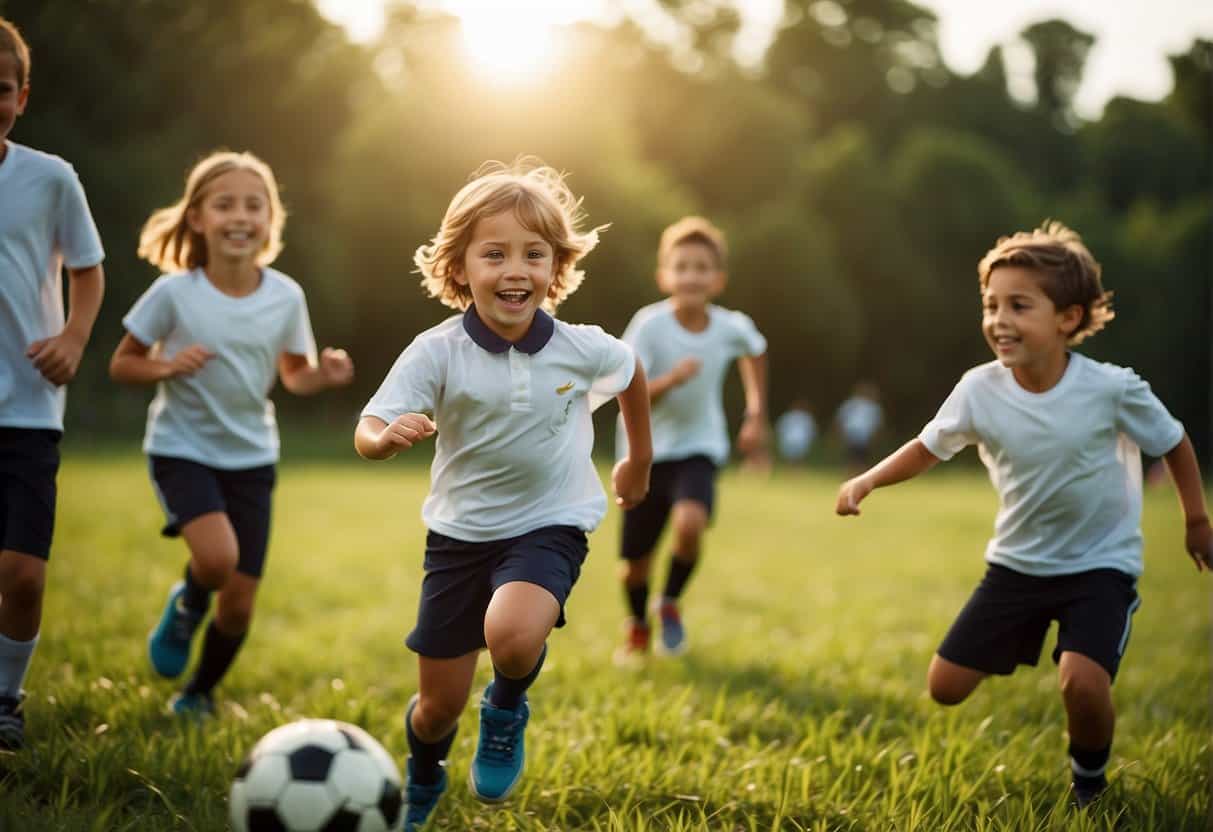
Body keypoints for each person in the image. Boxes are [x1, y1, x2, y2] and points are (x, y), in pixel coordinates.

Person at [835, 221, 1213, 807]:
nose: (998, 320)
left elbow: (1174, 440)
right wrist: (868, 479)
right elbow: (927, 447)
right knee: (945, 688)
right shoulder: (978, 390)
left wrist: (1195, 520)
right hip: (1017, 565)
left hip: (1099, 566)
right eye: (990, 305)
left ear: (1068, 318)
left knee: (1083, 685)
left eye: (1018, 305)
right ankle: (1023, 637)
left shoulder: (1111, 389)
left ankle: (1089, 785)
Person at [354, 159, 652, 830]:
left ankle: (508, 707)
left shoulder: (581, 347)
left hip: (550, 522)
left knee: (513, 638)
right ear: (459, 266)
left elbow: (633, 375)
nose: (515, 269)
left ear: (556, 267)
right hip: (458, 538)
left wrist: (636, 459)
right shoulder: (436, 352)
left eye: (533, 254)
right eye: (495, 253)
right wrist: (382, 439)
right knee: (436, 710)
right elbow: (367, 425)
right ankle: (423, 774)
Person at [109, 151, 354, 716]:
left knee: (240, 604)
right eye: (224, 205)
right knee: (217, 562)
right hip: (182, 448)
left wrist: (325, 375)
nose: (240, 216)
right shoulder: (175, 293)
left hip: (252, 456)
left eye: (254, 205)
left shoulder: (285, 296)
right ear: (197, 218)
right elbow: (123, 364)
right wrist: (165, 366)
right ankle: (188, 605)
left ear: (271, 221)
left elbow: (294, 376)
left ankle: (198, 694)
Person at [0, 17, 106, 749]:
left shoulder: (50, 177)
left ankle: (5, 698)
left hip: (29, 406)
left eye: (0, 90)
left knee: (24, 574)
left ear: (22, 95)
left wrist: (71, 336)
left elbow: (88, 269)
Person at [614, 216, 768, 661]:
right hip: (644, 455)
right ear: (664, 275)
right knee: (634, 568)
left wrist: (755, 412)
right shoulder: (648, 325)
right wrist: (670, 380)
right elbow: (628, 388)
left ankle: (669, 602)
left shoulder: (729, 326)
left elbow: (755, 351)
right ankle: (639, 625)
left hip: (699, 447)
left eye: (701, 267)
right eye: (681, 266)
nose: (691, 276)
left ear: (717, 280)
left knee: (689, 525)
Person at [835, 381, 882, 474]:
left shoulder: (873, 407)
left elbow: (876, 424)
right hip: (852, 434)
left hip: (864, 436)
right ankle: (852, 476)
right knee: (852, 458)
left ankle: (860, 477)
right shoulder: (851, 404)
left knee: (861, 459)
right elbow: (841, 419)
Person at [775, 398, 816, 464]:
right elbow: (811, 431)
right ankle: (797, 468)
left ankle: (791, 468)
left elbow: (780, 429)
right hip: (801, 441)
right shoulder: (806, 417)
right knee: (799, 459)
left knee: (791, 459)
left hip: (788, 441)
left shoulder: (786, 416)